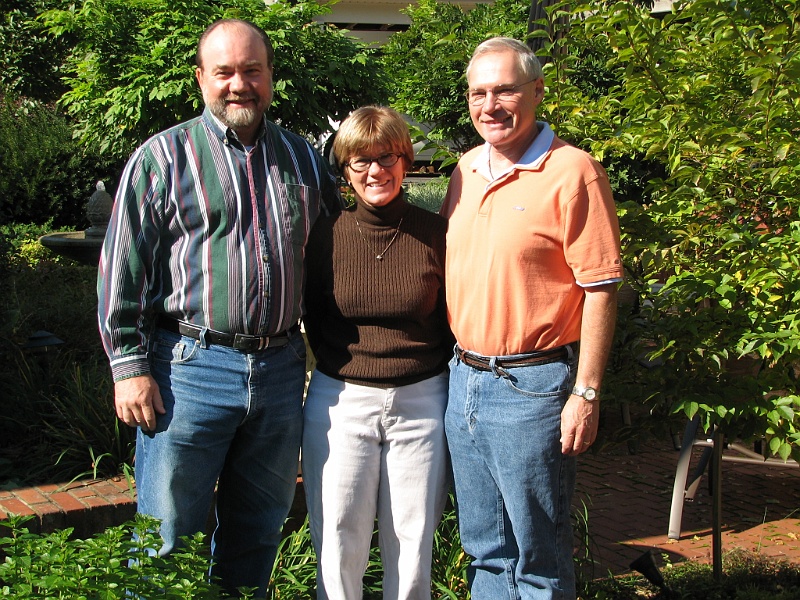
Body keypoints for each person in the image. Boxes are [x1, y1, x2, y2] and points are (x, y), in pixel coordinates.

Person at [97, 18, 340, 597]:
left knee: (257, 537)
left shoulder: (303, 160)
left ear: (270, 77)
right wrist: (129, 369)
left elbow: (332, 259)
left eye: (252, 71)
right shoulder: (163, 157)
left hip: (281, 374)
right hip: (188, 370)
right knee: (167, 540)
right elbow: (121, 269)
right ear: (202, 78)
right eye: (225, 72)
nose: (239, 84)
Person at [440, 37, 623, 599]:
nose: (490, 105)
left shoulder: (574, 172)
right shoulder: (465, 169)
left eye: (505, 90)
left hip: (533, 387)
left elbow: (601, 289)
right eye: (479, 92)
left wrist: (585, 394)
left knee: (538, 556)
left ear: (537, 92)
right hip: (463, 379)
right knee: (486, 551)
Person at [302, 105, 453, 600]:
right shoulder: (324, 236)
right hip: (343, 400)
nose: (375, 171)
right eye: (360, 161)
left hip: (422, 401)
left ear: (406, 160)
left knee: (412, 543)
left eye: (386, 156)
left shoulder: (436, 234)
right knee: (339, 538)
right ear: (345, 171)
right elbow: (311, 312)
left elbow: (454, 316)